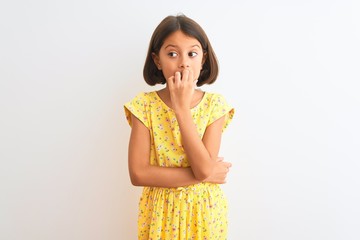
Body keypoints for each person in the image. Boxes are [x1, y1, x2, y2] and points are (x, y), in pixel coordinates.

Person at [124, 14, 235, 240]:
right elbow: (138, 174)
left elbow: (202, 169)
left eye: (192, 53)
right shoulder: (144, 106)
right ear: (157, 60)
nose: (183, 62)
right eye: (172, 54)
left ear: (203, 59)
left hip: (204, 213)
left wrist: (181, 108)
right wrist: (205, 174)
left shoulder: (215, 105)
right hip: (159, 215)